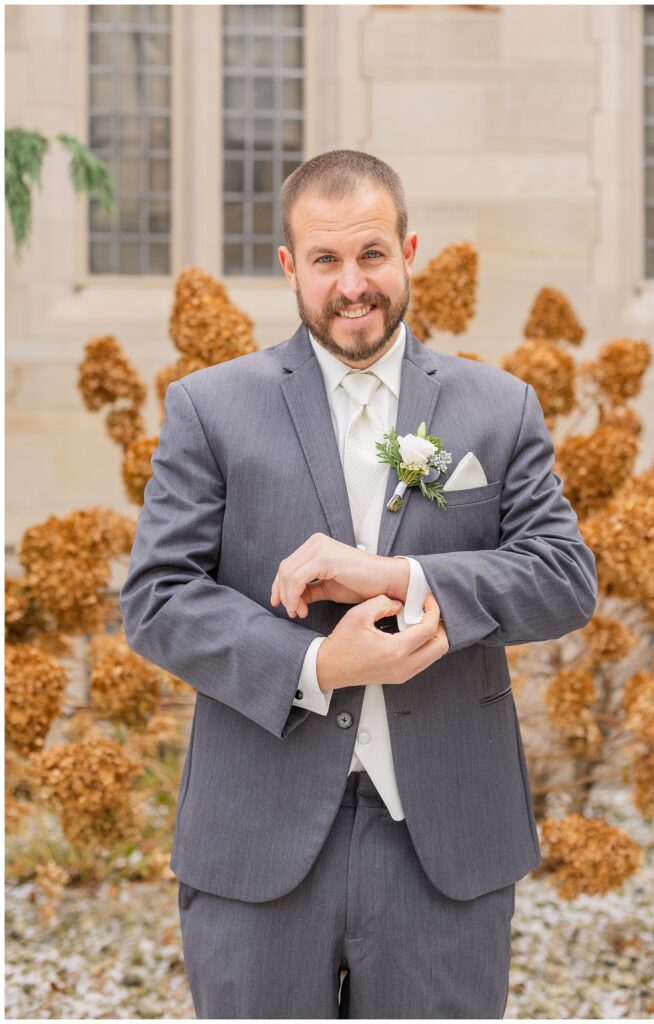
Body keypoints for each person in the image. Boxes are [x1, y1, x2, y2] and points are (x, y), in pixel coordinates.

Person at [119, 149, 597, 1019]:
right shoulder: (210, 409)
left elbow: (564, 577)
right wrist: (318, 669)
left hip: (444, 844)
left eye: (372, 254)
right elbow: (155, 599)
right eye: (327, 260)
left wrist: (399, 575)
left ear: (409, 251)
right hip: (258, 838)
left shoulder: (500, 408)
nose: (353, 285)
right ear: (289, 267)